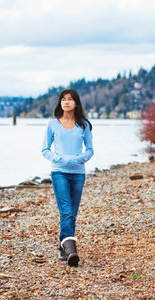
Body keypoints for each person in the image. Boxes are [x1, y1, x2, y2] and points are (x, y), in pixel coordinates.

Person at [41, 88, 94, 267]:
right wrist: (61, 159)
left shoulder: (84, 125)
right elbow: (45, 150)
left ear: (76, 103)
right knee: (66, 211)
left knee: (72, 212)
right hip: (59, 172)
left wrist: (79, 159)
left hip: (78, 173)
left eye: (70, 99)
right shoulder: (52, 124)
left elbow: (90, 149)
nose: (66, 102)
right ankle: (72, 251)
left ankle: (61, 244)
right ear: (60, 103)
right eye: (63, 99)